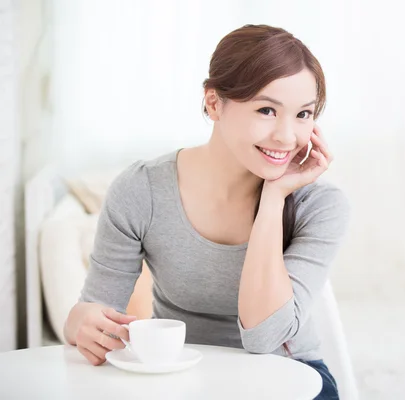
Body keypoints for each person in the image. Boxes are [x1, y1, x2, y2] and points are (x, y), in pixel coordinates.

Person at [63, 24, 349, 400]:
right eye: (267, 110)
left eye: (303, 114)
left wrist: (274, 197)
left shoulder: (320, 205)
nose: (286, 136)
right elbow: (96, 312)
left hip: (289, 376)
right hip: (181, 376)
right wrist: (80, 324)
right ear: (214, 103)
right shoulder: (141, 190)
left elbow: (265, 338)